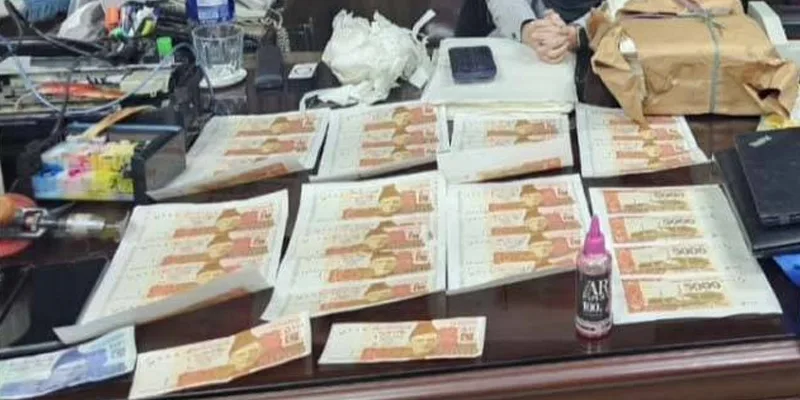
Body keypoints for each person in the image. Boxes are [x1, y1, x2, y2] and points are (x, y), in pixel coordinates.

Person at [487, 0, 599, 63]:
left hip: (598, 47)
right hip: (522, 31)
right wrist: (528, 29)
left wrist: (579, 34)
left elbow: (610, 10)